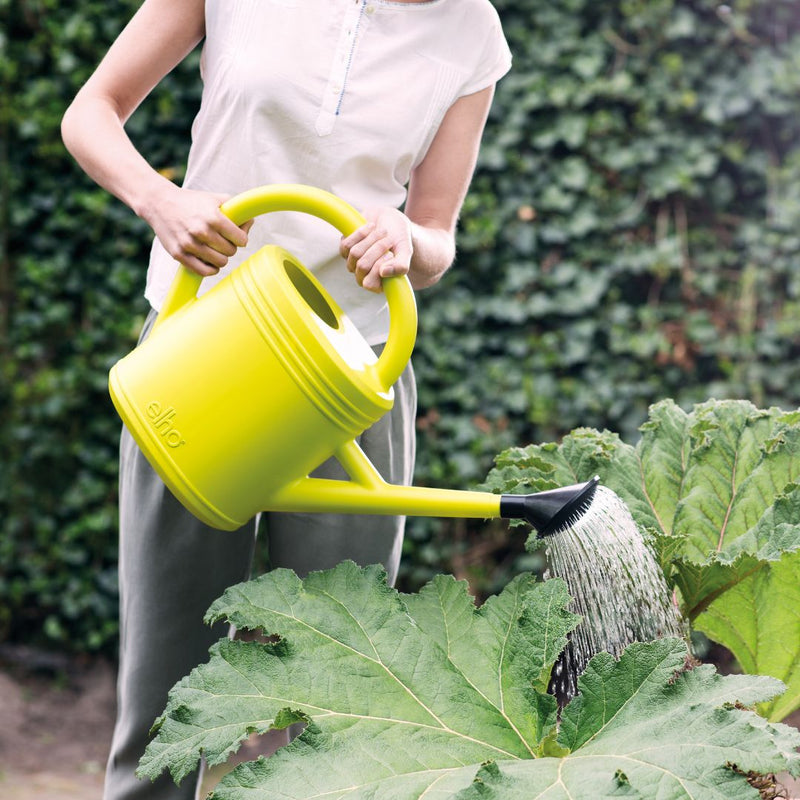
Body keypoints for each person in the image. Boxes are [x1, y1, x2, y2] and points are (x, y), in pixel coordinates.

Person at [62, 1, 511, 798]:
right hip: (200, 352)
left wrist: (410, 240)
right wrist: (161, 201)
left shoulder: (472, 29)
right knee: (165, 704)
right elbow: (91, 113)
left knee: (344, 704)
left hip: (352, 374)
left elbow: (439, 229)